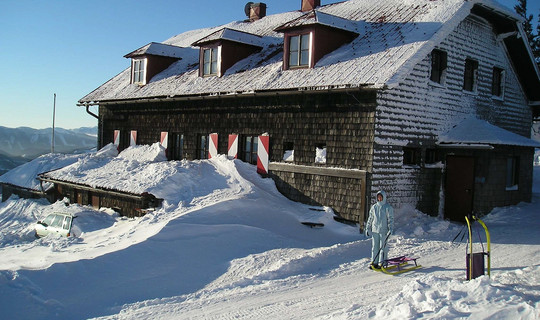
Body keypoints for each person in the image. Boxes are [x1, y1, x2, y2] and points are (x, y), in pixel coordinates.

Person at [364, 190, 394, 270]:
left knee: (383, 247)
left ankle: (382, 262)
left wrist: (391, 229)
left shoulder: (388, 208)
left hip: (383, 230)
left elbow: (390, 219)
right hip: (375, 230)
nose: (379, 198)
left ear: (384, 198)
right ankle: (374, 262)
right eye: (378, 197)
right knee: (375, 247)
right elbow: (370, 218)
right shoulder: (374, 207)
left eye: (381, 197)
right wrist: (367, 228)